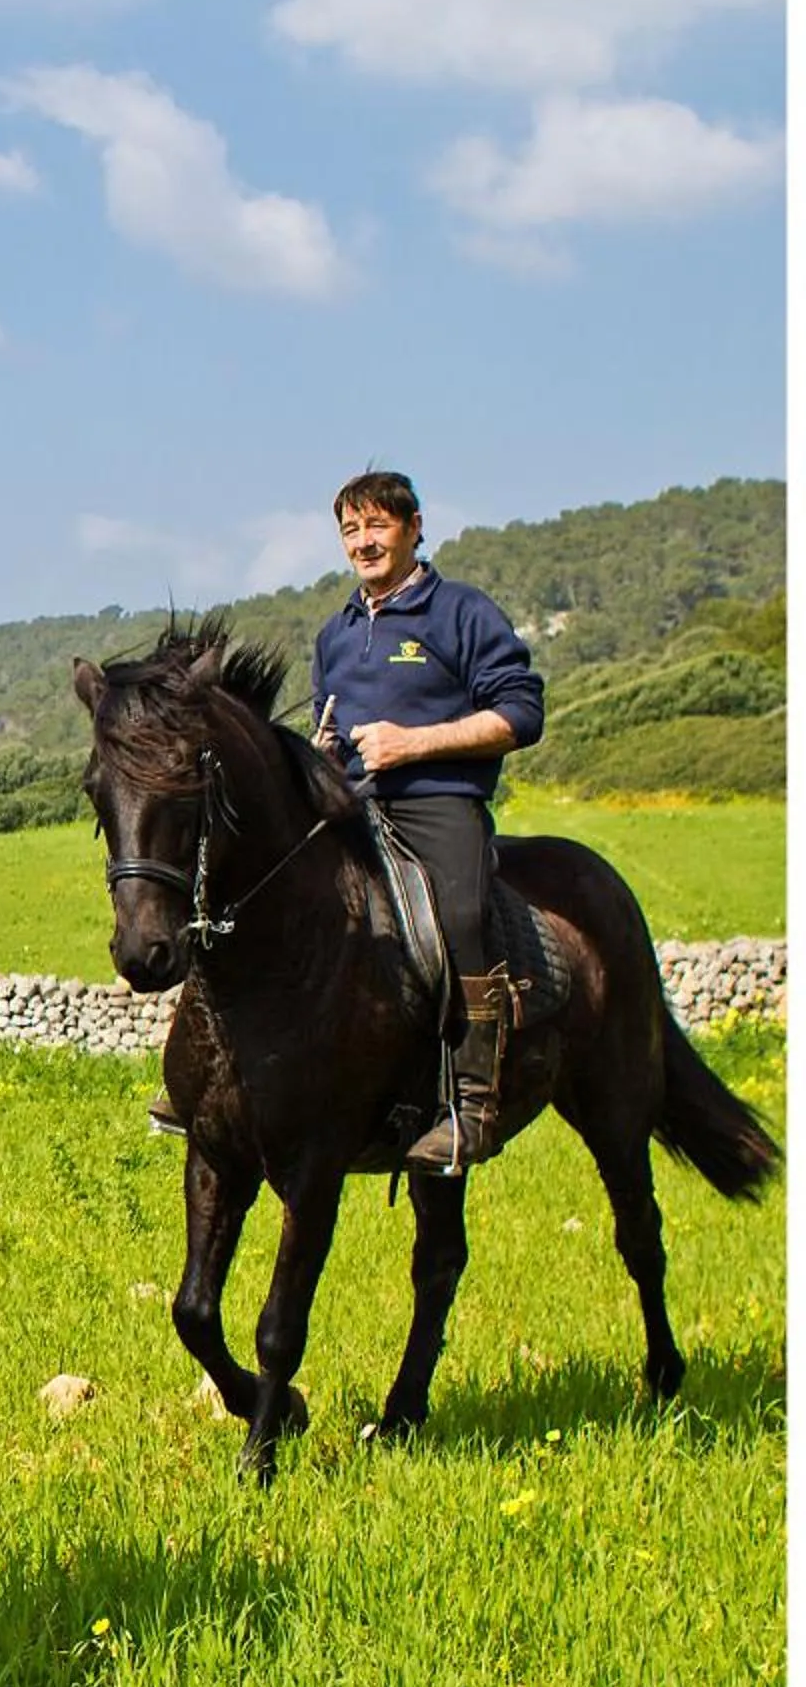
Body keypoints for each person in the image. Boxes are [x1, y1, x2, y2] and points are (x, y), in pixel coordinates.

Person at [310, 468, 546, 1169]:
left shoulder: (462, 613)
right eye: (351, 530)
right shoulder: (335, 632)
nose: (364, 542)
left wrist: (411, 743)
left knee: (465, 915)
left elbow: (521, 715)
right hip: (351, 805)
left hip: (438, 802)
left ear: (414, 528)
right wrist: (321, 754)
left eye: (377, 525)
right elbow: (328, 717)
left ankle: (474, 1103)